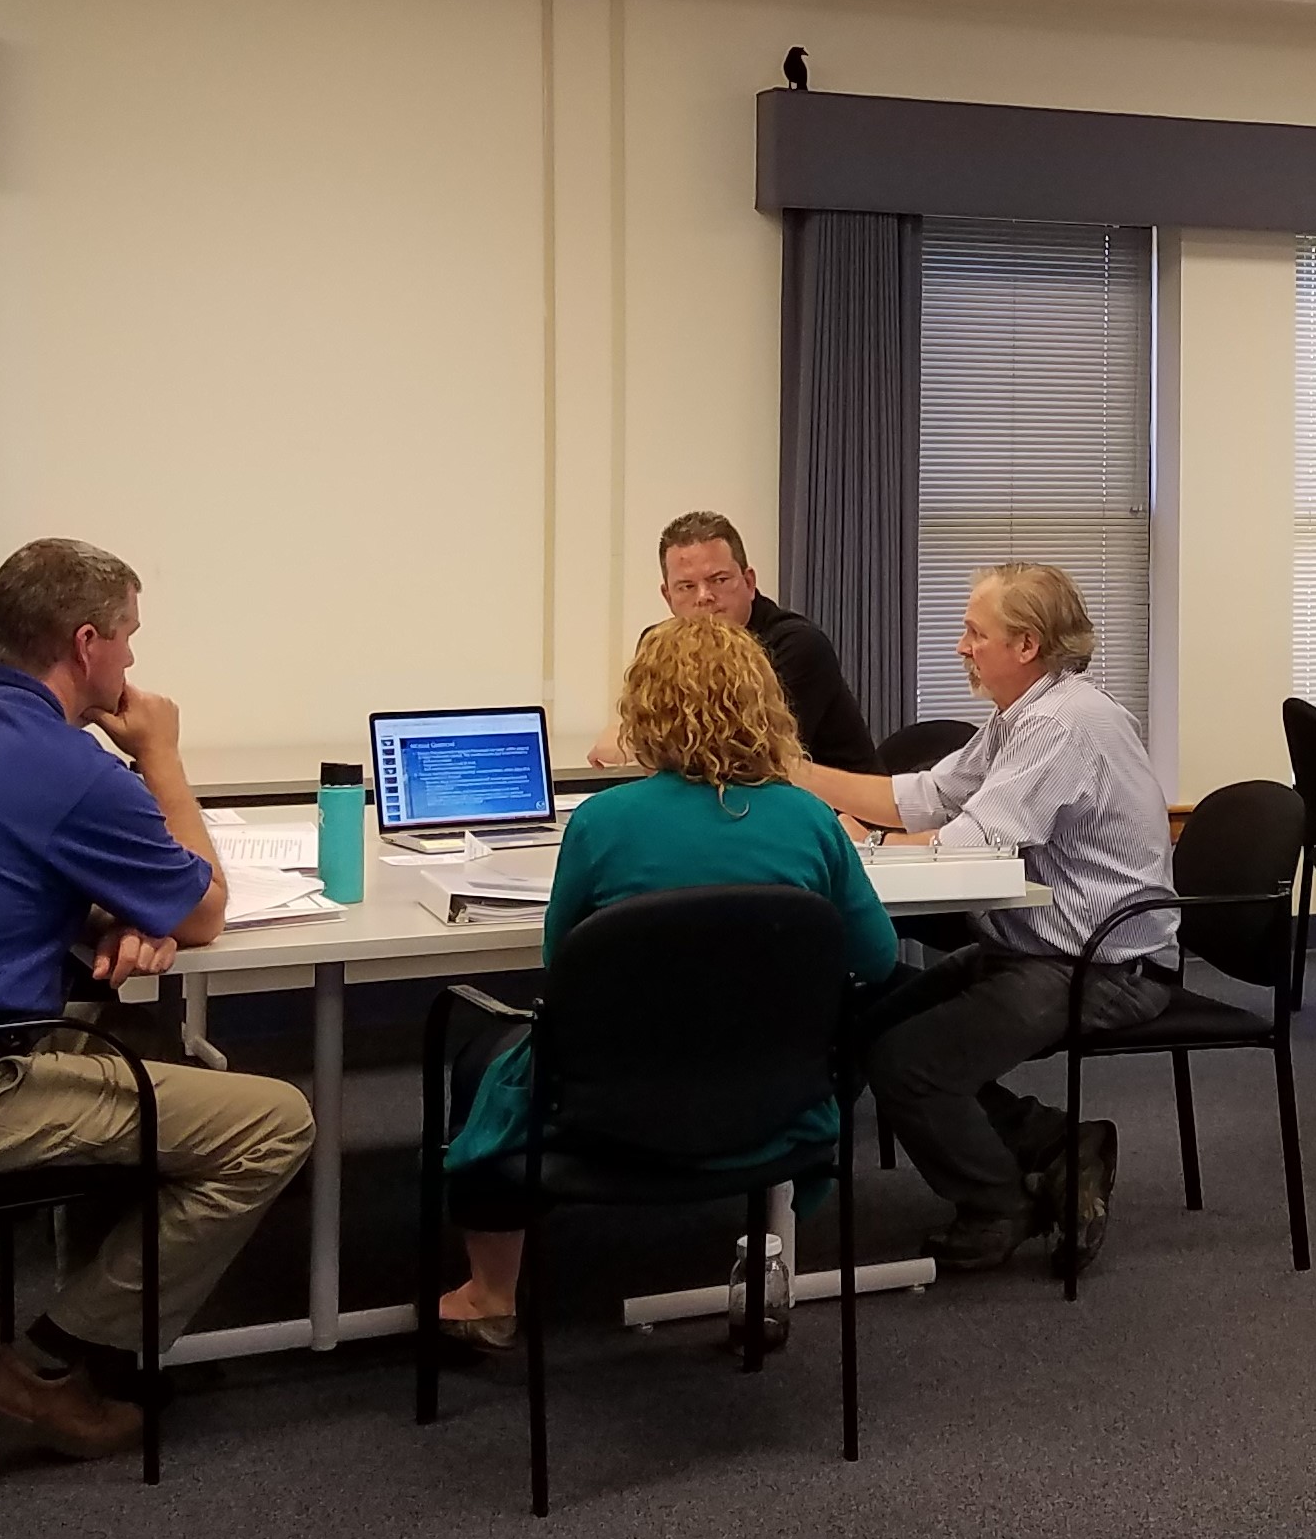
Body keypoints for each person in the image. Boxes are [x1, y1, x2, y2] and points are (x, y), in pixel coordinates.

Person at [0, 538, 312, 1459]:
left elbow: (9, 866)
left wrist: (114, 906)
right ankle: (48, 1364)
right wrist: (160, 751)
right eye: (128, 642)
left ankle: (114, 1349)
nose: (131, 664)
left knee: (178, 1063)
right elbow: (204, 908)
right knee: (272, 1120)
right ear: (85, 644)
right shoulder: (67, 766)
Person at [435, 614, 897, 1350]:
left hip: (614, 1108)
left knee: (476, 1053)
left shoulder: (603, 821)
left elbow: (567, 966)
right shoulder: (812, 821)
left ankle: (491, 1293)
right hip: (775, 1104)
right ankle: (769, 1253)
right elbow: (876, 961)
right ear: (764, 704)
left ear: (645, 709)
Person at [798, 562, 1172, 1277]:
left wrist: (859, 840)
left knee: (910, 1063)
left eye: (976, 633)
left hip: (1098, 967)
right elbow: (929, 795)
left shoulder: (1062, 723)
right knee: (868, 1026)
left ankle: (1000, 1204)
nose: (962, 646)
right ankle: (1057, 1144)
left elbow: (971, 840)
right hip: (1036, 950)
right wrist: (796, 771)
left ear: (1026, 644)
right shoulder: (1024, 714)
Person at [587, 511, 876, 770]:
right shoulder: (659, 647)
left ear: (749, 582)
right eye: (687, 586)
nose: (704, 597)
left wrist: (636, 740)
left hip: (835, 816)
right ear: (668, 596)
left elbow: (747, 753)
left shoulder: (797, 644)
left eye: (719, 580)